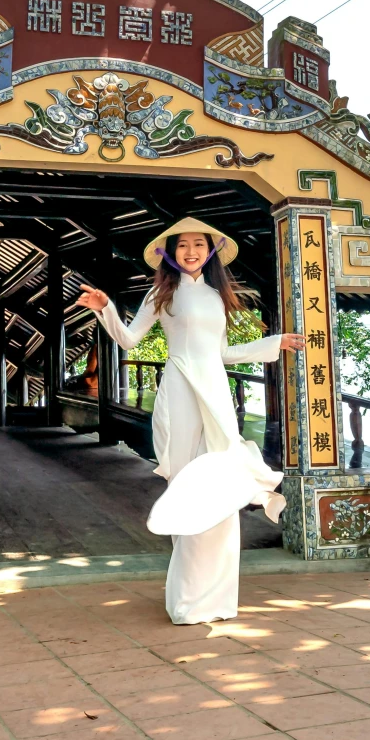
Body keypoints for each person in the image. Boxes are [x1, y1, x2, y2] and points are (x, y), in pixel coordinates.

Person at [76, 217, 302, 624]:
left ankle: (215, 601)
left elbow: (223, 354)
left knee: (220, 488)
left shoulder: (217, 296)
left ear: (210, 251)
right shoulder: (162, 293)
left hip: (214, 392)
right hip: (180, 390)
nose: (191, 251)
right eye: (183, 246)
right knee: (186, 486)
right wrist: (105, 308)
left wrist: (275, 343)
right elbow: (128, 339)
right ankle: (186, 601)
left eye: (199, 244)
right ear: (169, 253)